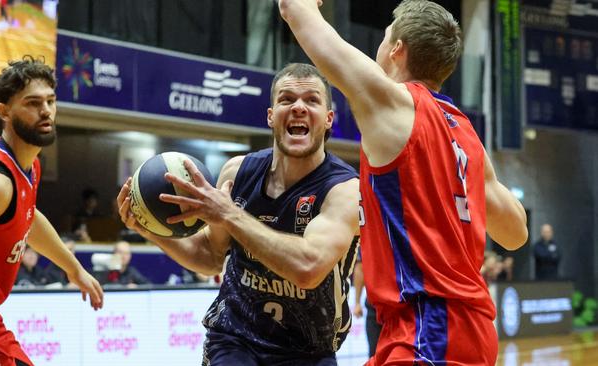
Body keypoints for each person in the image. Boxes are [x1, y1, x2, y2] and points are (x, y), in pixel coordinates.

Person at [278, 1, 528, 365]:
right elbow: (515, 232)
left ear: (396, 49)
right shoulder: (465, 133)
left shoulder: (394, 104)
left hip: (429, 330)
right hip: (466, 329)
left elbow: (294, 9)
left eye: (384, 38)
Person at [117, 63, 360, 365]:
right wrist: (148, 229)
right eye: (286, 99)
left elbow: (308, 268)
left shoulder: (344, 189)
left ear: (328, 119)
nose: (298, 107)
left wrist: (229, 214)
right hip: (235, 339)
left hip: (309, 349)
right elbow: (209, 255)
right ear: (271, 116)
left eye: (311, 100)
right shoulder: (237, 172)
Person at [0, 55, 103, 366]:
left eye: (50, 101)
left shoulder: (27, 167)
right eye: (33, 103)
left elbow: (28, 218)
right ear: (4, 112)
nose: (45, 111)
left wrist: (73, 268)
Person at [352, 254, 381, 358]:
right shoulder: (368, 239)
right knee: (375, 355)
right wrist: (357, 302)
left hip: (400, 305)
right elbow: (360, 268)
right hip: (375, 305)